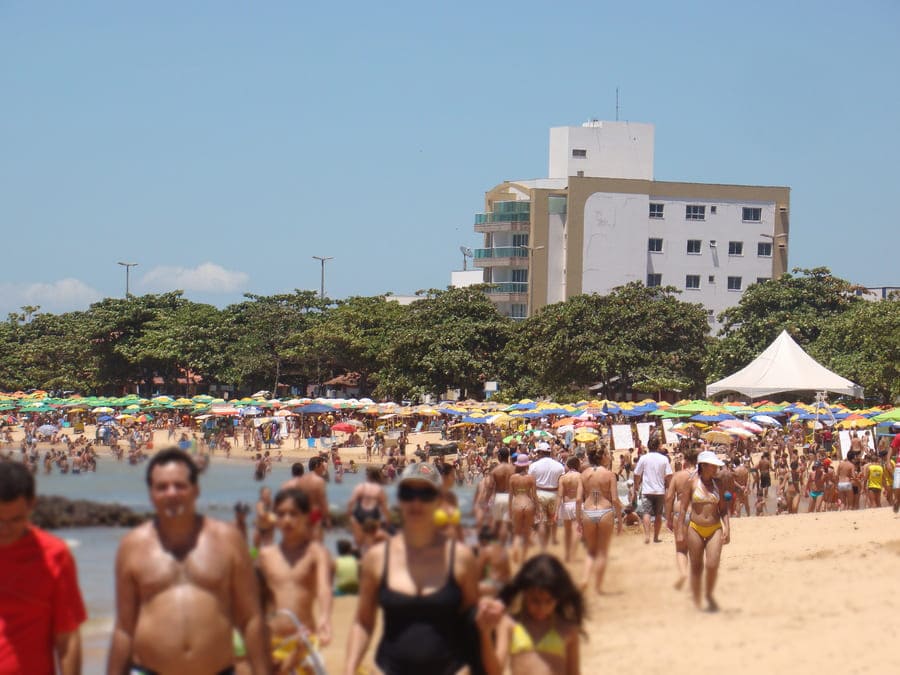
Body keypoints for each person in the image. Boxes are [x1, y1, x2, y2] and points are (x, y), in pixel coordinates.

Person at [107, 448, 269, 675]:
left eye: (179, 485)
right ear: (151, 494)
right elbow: (124, 629)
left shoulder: (227, 541)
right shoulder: (132, 547)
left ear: (196, 490)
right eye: (162, 487)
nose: (171, 493)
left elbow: (251, 618)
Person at [344, 462, 503, 675]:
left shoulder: (461, 559)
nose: (415, 502)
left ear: (439, 500)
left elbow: (470, 624)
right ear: (399, 499)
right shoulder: (377, 558)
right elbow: (363, 622)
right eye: (407, 493)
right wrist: (349, 668)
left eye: (426, 494)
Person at [0, 460, 87, 675]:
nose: (5, 529)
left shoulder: (55, 556)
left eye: (15, 520)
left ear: (31, 505)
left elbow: (67, 638)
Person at [257, 488, 332, 675]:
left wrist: (325, 616)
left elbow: (324, 588)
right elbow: (255, 597)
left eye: (293, 514)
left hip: (304, 639)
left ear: (306, 517)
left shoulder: (316, 552)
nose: (287, 520)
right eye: (281, 514)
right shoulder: (266, 555)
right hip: (271, 642)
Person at [494, 554, 583, 675]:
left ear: (558, 598)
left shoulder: (568, 629)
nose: (542, 608)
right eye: (535, 601)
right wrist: (484, 632)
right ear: (524, 594)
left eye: (549, 601)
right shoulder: (509, 625)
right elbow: (495, 670)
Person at [677, 450, 730, 611]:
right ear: (704, 466)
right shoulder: (691, 483)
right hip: (695, 527)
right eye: (713, 466)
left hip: (715, 528)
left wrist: (728, 527)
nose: (716, 469)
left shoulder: (718, 484)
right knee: (697, 565)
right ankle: (696, 597)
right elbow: (683, 508)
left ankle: (708, 594)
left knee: (713, 564)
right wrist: (680, 530)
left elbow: (723, 509)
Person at [579, 449, 620, 594]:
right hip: (605, 511)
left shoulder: (583, 474)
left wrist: (578, 520)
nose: (609, 457)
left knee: (591, 551)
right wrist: (620, 519)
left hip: (588, 511)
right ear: (602, 457)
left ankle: (585, 578)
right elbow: (615, 499)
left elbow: (579, 499)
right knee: (602, 551)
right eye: (608, 455)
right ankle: (597, 586)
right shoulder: (609, 474)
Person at [665, 447, 697, 590]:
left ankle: (684, 574)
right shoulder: (701, 476)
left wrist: (669, 518)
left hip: (680, 513)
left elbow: (669, 497)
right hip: (698, 512)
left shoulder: (677, 476)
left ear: (685, 460)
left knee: (681, 549)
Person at [633, 438, 672, 544]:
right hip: (660, 490)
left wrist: (636, 485)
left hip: (647, 490)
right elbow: (669, 475)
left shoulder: (643, 458)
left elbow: (637, 474)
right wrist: (670, 488)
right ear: (658, 446)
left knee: (646, 513)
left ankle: (647, 536)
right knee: (659, 514)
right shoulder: (664, 459)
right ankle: (656, 537)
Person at [528, 442, 565, 550]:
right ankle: (553, 539)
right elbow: (561, 481)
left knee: (541, 521)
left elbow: (531, 482)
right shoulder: (559, 466)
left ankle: (542, 544)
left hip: (539, 494)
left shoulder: (534, 466)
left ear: (540, 452)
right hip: (554, 493)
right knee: (553, 519)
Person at [346, 467, 389, 548]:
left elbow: (351, 502)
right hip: (373, 515)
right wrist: (388, 520)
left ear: (368, 477)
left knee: (359, 542)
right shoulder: (379, 490)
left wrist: (349, 515)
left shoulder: (361, 487)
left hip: (359, 514)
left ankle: (360, 556)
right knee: (371, 541)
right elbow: (384, 508)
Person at [509, 453, 539, 564]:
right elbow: (534, 496)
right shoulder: (531, 478)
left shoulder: (512, 478)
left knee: (517, 532)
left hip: (516, 504)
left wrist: (509, 510)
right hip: (528, 504)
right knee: (526, 532)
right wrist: (539, 509)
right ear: (527, 465)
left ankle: (515, 552)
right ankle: (523, 558)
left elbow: (511, 495)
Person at [556, 456, 584, 563]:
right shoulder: (580, 477)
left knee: (567, 532)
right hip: (576, 504)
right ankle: (572, 555)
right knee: (577, 530)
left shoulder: (563, 478)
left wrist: (556, 511)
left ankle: (567, 554)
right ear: (577, 465)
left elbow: (559, 495)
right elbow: (580, 496)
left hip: (565, 505)